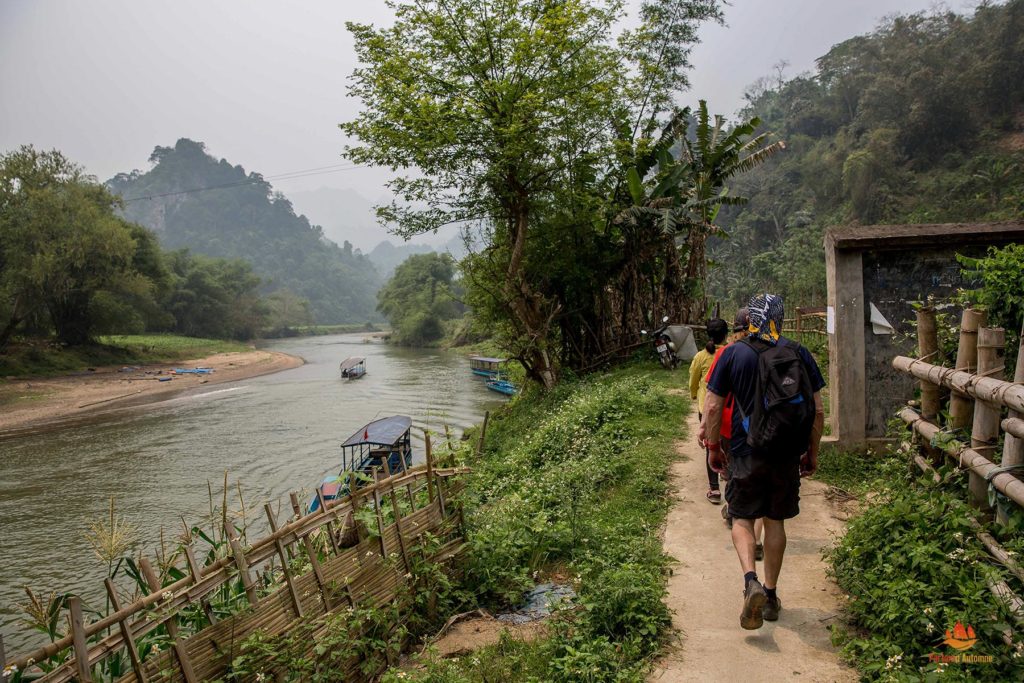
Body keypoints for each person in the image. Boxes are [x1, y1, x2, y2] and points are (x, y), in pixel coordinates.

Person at [698, 294, 826, 630]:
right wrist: (811, 451)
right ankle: (770, 595)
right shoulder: (798, 352)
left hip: (744, 451)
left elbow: (712, 407)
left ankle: (750, 581)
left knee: (741, 517)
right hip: (786, 452)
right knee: (775, 522)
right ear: (780, 320)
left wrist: (713, 447)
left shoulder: (733, 353)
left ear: (750, 320)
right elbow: (818, 410)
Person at [706, 309, 763, 560]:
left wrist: (709, 439)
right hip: (764, 428)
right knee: (759, 484)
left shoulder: (727, 353)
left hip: (730, 426)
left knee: (733, 474)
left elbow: (712, 402)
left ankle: (734, 509)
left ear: (735, 330)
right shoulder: (770, 351)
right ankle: (757, 537)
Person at [689, 318, 730, 503]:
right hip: (728, 408)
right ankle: (729, 483)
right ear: (726, 333)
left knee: (711, 446)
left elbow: (693, 380)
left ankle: (714, 489)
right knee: (728, 446)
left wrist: (693, 394)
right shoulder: (731, 352)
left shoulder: (701, 356)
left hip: (706, 408)